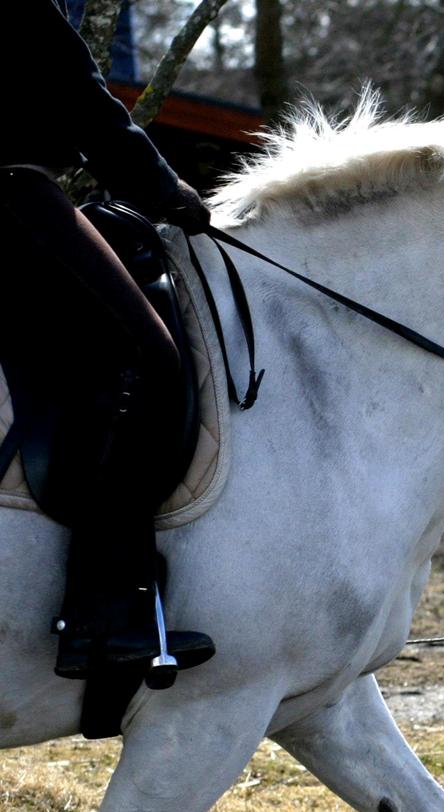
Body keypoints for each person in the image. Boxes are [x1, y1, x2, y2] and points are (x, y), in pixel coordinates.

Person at [1, 0, 215, 687]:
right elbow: (87, 103)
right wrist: (168, 190)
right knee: (151, 356)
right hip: (13, 196)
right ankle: (106, 610)